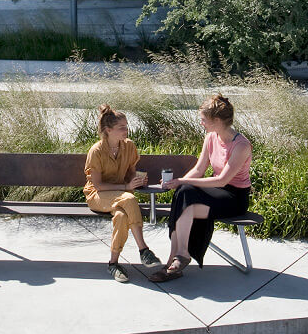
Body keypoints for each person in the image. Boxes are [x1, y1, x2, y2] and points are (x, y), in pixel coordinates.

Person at [149, 94, 251, 283]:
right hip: (215, 192)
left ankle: (179, 258)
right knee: (183, 194)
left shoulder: (241, 145)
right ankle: (177, 257)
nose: (202, 123)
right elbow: (199, 169)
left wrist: (182, 182)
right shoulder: (211, 137)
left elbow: (221, 180)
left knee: (186, 190)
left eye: (204, 120)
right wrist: (177, 183)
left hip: (233, 198)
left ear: (217, 120)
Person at [84, 104, 162, 282]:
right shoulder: (96, 151)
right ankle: (143, 249)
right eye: (122, 128)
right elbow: (98, 186)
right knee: (128, 198)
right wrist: (127, 188)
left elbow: (131, 172)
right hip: (98, 196)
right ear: (108, 130)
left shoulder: (129, 147)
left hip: (120, 196)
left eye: (126, 126)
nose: (126, 130)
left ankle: (113, 264)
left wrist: (138, 179)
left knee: (121, 217)